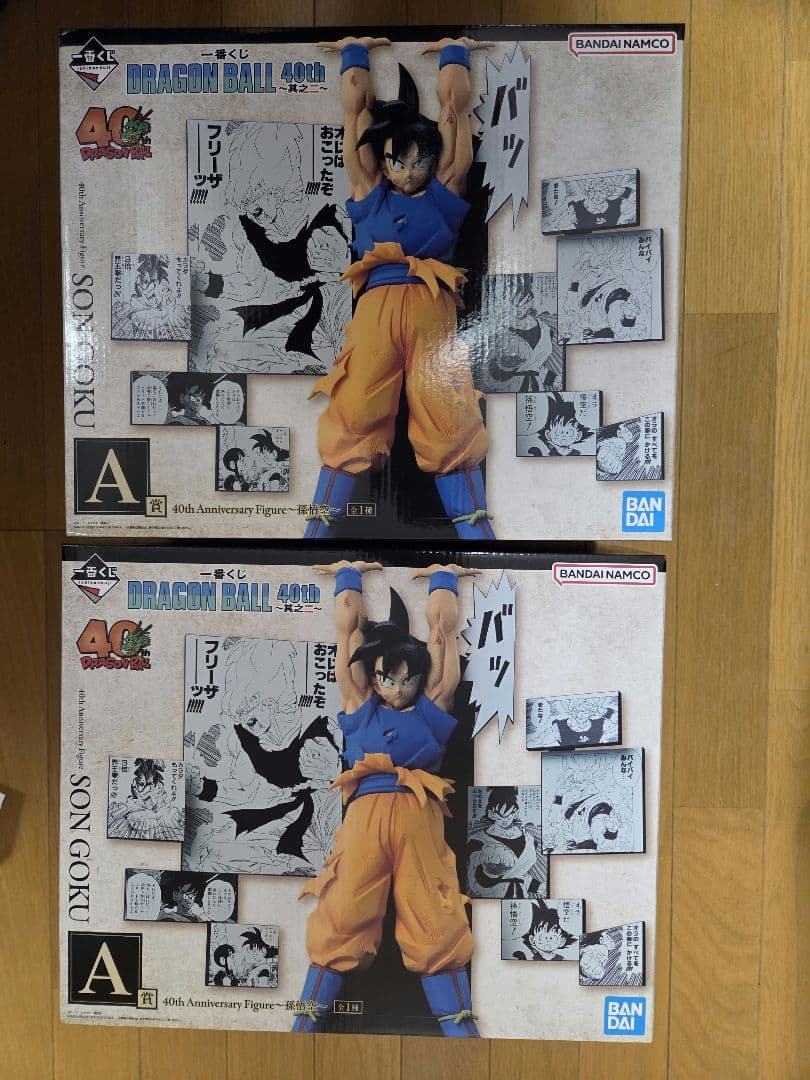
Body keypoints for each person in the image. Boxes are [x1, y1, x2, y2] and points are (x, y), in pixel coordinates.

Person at [303, 36, 495, 540]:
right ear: (384, 161)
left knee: (447, 413)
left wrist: (454, 54)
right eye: (397, 162)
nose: (407, 173)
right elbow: (354, 119)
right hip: (378, 310)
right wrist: (353, 54)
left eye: (417, 162)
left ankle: (477, 539)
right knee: (354, 409)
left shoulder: (444, 193)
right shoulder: (370, 195)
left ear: (430, 160)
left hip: (431, 307)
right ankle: (315, 538)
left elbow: (455, 117)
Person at [291, 560, 480, 1036]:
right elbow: (347, 635)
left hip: (419, 814)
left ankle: (461, 1029)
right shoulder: (360, 709)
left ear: (418, 678)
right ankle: (305, 1023)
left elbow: (442, 637)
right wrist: (348, 577)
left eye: (406, 680)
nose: (396, 689)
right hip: (366, 817)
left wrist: (443, 580)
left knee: (434, 914)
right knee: (342, 910)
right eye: (386, 679)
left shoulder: (432, 709)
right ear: (373, 678)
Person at [466, 787, 545, 898]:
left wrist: (539, 887)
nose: (504, 819)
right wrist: (490, 872)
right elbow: (474, 881)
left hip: (520, 897)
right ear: (491, 813)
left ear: (515, 813)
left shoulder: (529, 840)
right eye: (499, 815)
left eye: (508, 815)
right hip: (492, 897)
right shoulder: (478, 841)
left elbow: (521, 876)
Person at [512, 899, 577, 961]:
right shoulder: (534, 957)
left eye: (553, 938)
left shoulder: (561, 959)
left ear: (562, 941)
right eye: (541, 937)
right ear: (532, 939)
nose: (547, 941)